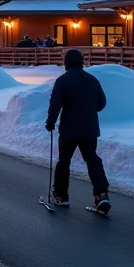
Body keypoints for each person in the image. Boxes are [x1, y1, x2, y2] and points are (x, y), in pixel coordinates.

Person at [45, 48, 110, 214]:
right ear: (81, 61)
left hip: (69, 129)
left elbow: (56, 103)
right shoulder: (92, 80)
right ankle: (101, 195)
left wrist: (51, 121)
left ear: (66, 62)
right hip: (90, 128)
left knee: (64, 161)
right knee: (92, 159)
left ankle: (61, 196)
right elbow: (102, 104)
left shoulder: (63, 81)